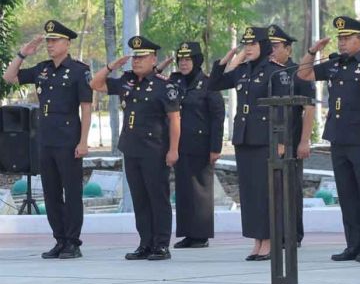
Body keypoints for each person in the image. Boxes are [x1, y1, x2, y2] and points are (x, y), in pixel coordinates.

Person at [2, 20, 92, 259]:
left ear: (67, 43)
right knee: (51, 193)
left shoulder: (79, 71)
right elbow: (9, 77)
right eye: (48, 41)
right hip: (46, 139)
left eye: (55, 41)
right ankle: (60, 239)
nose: (50, 45)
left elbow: (86, 107)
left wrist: (83, 141)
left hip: (69, 139)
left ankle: (73, 241)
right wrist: (23, 54)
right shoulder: (42, 69)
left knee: (71, 193)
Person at [297, 16, 360, 263]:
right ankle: (352, 244)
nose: (342, 43)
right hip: (339, 136)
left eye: (347, 38)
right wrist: (313, 51)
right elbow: (304, 74)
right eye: (340, 39)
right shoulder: (335, 64)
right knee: (346, 194)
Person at [90, 36, 181, 260]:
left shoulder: (164, 85)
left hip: (155, 149)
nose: (136, 61)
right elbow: (95, 84)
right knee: (139, 198)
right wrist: (112, 66)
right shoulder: (127, 81)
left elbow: (175, 119)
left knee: (157, 198)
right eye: (134, 57)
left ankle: (161, 244)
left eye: (141, 57)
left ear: (153, 58)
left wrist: (174, 150)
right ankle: (145, 243)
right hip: (131, 148)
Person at [208, 27, 285, 261]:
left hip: (265, 140)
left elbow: (282, 108)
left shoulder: (275, 72)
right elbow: (214, 83)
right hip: (244, 139)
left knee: (265, 192)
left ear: (263, 46)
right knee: (250, 194)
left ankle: (270, 241)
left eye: (252, 45)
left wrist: (281, 141)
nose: (248, 48)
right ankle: (257, 240)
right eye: (246, 44)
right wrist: (227, 60)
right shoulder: (242, 71)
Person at [162, 42, 225, 248]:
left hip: (201, 143)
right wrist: (161, 66)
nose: (183, 64)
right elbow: (151, 79)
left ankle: (201, 235)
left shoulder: (208, 83)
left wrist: (216, 147)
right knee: (184, 190)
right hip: (179, 143)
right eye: (180, 60)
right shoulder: (174, 81)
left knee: (200, 190)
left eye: (188, 60)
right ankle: (188, 233)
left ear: (196, 61)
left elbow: (217, 117)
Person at [268, 24, 316, 246]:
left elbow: (309, 109)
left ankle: (292, 235)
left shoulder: (299, 73)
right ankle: (273, 234)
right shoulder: (265, 71)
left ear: (288, 49)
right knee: (270, 190)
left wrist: (304, 141)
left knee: (290, 190)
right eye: (269, 46)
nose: (272, 50)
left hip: (290, 138)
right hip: (266, 140)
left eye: (276, 46)